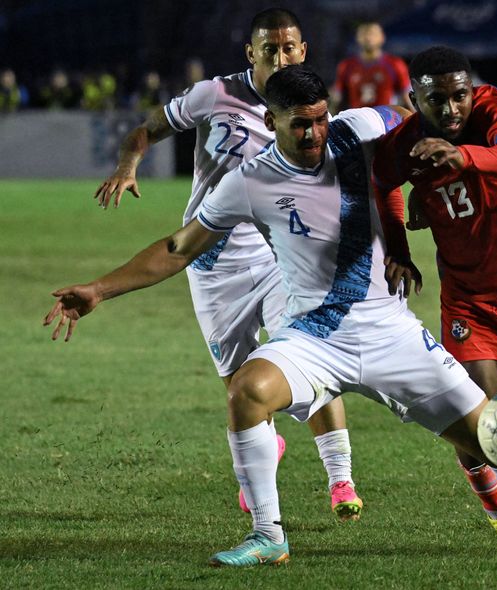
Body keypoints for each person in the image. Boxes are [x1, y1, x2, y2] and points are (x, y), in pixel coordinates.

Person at [44, 64, 497, 567]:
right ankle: (268, 536)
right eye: (299, 122)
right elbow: (178, 248)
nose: (314, 132)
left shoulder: (360, 130)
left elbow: (428, 117)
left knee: (489, 435)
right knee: (248, 390)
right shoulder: (249, 182)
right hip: (313, 337)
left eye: (320, 118)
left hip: (390, 330)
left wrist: (450, 180)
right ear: (270, 121)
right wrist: (100, 289)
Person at [91, 8, 364, 521]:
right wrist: (129, 164)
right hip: (209, 262)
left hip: (276, 256)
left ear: (302, 51)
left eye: (289, 48)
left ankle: (341, 478)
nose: (280, 58)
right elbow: (146, 129)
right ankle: (266, 447)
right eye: (270, 49)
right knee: (239, 384)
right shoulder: (213, 95)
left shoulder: (307, 108)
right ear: (251, 53)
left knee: (309, 354)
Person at [371, 46, 497, 558]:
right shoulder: (406, 141)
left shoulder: (495, 109)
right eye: (437, 99)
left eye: (460, 95)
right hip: (468, 298)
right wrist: (397, 249)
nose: (452, 108)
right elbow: (381, 184)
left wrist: (464, 156)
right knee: (473, 415)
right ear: (416, 98)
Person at [331, 21, 413, 112]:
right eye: (364, 34)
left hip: (385, 121)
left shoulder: (395, 64)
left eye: (373, 34)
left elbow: (407, 96)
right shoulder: (346, 66)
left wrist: (417, 119)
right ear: (357, 38)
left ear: (382, 37)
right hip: (357, 121)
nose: (368, 38)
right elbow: (337, 99)